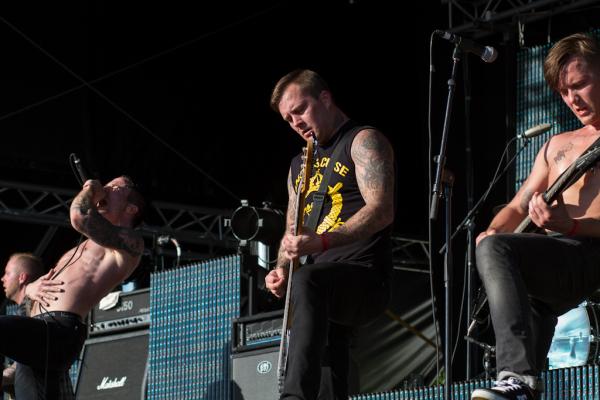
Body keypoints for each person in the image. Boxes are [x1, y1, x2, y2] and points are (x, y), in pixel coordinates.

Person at [471, 33, 600, 400]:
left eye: (580, 85)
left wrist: (570, 224)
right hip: (557, 257)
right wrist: (491, 231)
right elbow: (516, 206)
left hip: (590, 254)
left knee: (500, 252)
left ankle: (517, 377)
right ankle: (522, 386)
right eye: (563, 92)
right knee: (497, 250)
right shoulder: (556, 145)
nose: (572, 99)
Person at [265, 69, 395, 400]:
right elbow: (292, 230)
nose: (296, 122)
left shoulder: (362, 140)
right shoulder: (299, 164)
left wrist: (322, 241)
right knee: (330, 368)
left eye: (300, 110)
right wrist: (281, 268)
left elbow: (381, 210)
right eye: (288, 119)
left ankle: (293, 397)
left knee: (310, 281)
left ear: (325, 98)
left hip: (364, 278)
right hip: (319, 286)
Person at [0, 176, 145, 400]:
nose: (105, 188)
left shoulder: (131, 242)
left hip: (58, 330)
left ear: (131, 208)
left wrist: (90, 188)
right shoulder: (83, 246)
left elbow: (80, 215)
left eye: (115, 188)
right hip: (37, 334)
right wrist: (29, 289)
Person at [1, 253, 44, 396]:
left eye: (7, 273)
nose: (3, 279)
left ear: (22, 278)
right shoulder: (25, 310)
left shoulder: (33, 309)